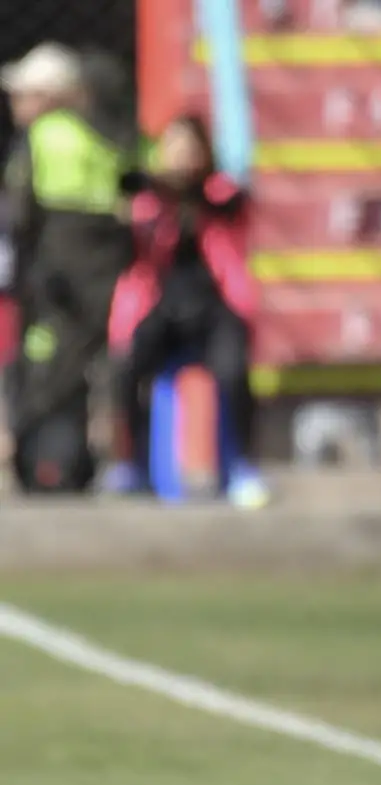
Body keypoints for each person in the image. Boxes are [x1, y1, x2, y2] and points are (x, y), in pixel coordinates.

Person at [106, 115, 263, 505]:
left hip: (214, 308)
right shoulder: (150, 200)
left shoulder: (220, 192)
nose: (181, 155)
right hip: (163, 307)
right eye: (173, 146)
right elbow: (131, 237)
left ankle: (243, 465)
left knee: (233, 372)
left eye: (188, 147)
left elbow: (227, 206)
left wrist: (184, 192)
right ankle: (133, 464)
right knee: (126, 370)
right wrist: (152, 198)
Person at [1, 43, 135, 493]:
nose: (15, 103)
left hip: (53, 275)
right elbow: (130, 191)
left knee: (44, 367)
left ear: (50, 96)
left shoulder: (44, 136)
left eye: (24, 94)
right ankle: (84, 463)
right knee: (90, 368)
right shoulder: (113, 134)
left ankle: (43, 463)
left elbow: (20, 214)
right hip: (106, 271)